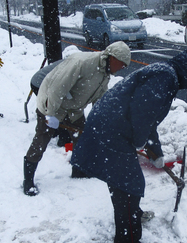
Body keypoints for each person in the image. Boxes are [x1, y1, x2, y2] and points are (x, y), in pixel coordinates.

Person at [70, 47, 187, 243]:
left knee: (123, 180)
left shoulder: (165, 74)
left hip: (111, 123)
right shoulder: (165, 78)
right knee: (129, 184)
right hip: (113, 129)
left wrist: (155, 152)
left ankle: (132, 215)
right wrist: (139, 142)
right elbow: (142, 114)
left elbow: (147, 117)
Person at [23, 41, 131, 196]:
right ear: (113, 58)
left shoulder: (105, 74)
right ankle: (28, 180)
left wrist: (102, 119)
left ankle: (78, 171)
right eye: (122, 64)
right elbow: (56, 88)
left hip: (73, 108)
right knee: (41, 140)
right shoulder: (82, 63)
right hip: (51, 104)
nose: (122, 68)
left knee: (81, 137)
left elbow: (100, 98)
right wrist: (50, 114)